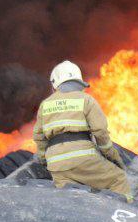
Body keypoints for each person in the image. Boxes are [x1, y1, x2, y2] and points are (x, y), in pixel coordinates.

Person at [32, 61, 131, 198]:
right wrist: (113, 157)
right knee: (118, 179)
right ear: (78, 82)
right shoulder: (86, 100)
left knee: (70, 198)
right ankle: (124, 218)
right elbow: (100, 132)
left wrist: (45, 160)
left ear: (55, 83)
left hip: (57, 165)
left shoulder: (45, 105)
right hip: (84, 159)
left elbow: (39, 137)